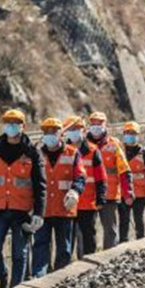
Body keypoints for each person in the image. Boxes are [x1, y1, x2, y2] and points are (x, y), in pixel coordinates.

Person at [0, 109, 46, 288]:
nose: (11, 126)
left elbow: (40, 185)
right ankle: (3, 276)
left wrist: (39, 213)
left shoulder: (32, 153)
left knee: (19, 253)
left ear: (23, 127)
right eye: (8, 123)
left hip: (22, 210)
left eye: (15, 123)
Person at [32, 117, 85, 277]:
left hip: (64, 208)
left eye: (53, 131)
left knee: (64, 247)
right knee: (40, 245)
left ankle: (60, 278)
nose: (50, 135)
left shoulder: (73, 153)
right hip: (44, 209)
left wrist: (75, 191)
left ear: (61, 134)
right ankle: (39, 277)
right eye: (46, 132)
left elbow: (80, 177)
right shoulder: (37, 155)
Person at [85, 111, 133, 248]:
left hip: (109, 195)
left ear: (105, 125)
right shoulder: (84, 145)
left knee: (110, 231)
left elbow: (124, 170)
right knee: (86, 232)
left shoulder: (114, 145)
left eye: (99, 123)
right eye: (93, 123)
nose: (96, 126)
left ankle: (110, 259)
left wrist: (127, 192)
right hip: (87, 196)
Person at [63, 115, 107, 257]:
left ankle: (90, 262)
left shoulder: (93, 151)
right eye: (71, 129)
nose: (74, 132)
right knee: (68, 238)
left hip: (88, 203)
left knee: (89, 235)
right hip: (68, 203)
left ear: (83, 130)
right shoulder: (62, 151)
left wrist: (101, 197)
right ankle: (67, 265)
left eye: (77, 129)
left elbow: (101, 177)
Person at [120, 121, 145, 241]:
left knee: (138, 217)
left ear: (138, 135)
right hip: (124, 192)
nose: (130, 135)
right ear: (124, 134)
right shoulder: (120, 152)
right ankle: (123, 241)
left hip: (141, 193)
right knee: (124, 219)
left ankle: (140, 240)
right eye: (128, 133)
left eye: (133, 133)